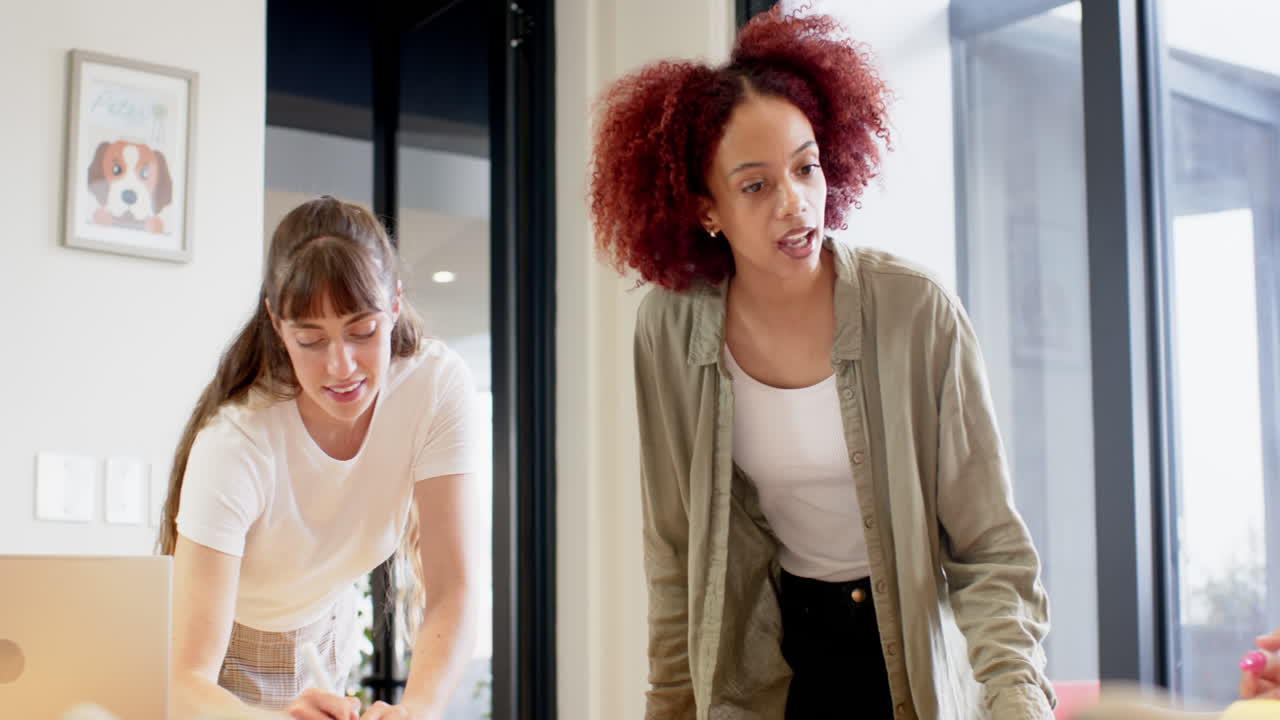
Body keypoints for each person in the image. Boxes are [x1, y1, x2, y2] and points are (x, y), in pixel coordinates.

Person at [589, 8, 1054, 719]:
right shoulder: (669, 329)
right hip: (773, 655)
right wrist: (672, 706)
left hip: (910, 666)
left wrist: (1017, 698)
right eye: (756, 185)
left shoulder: (915, 310)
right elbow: (676, 554)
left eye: (806, 168)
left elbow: (989, 546)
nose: (796, 204)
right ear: (705, 209)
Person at [158, 196, 482, 720]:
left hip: (325, 631)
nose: (341, 367)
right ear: (276, 322)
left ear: (394, 303)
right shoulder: (238, 442)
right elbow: (184, 680)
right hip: (220, 658)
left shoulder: (435, 388)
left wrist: (416, 710)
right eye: (310, 339)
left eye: (363, 332)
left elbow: (453, 588)